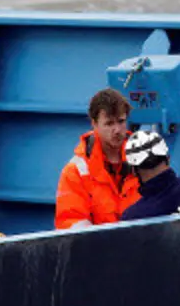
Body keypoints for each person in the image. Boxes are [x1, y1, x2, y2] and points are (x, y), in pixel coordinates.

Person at [54, 87, 140, 229]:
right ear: (94, 124)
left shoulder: (144, 159)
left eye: (121, 121)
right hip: (98, 248)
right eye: (109, 123)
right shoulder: (76, 171)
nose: (117, 130)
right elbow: (70, 223)